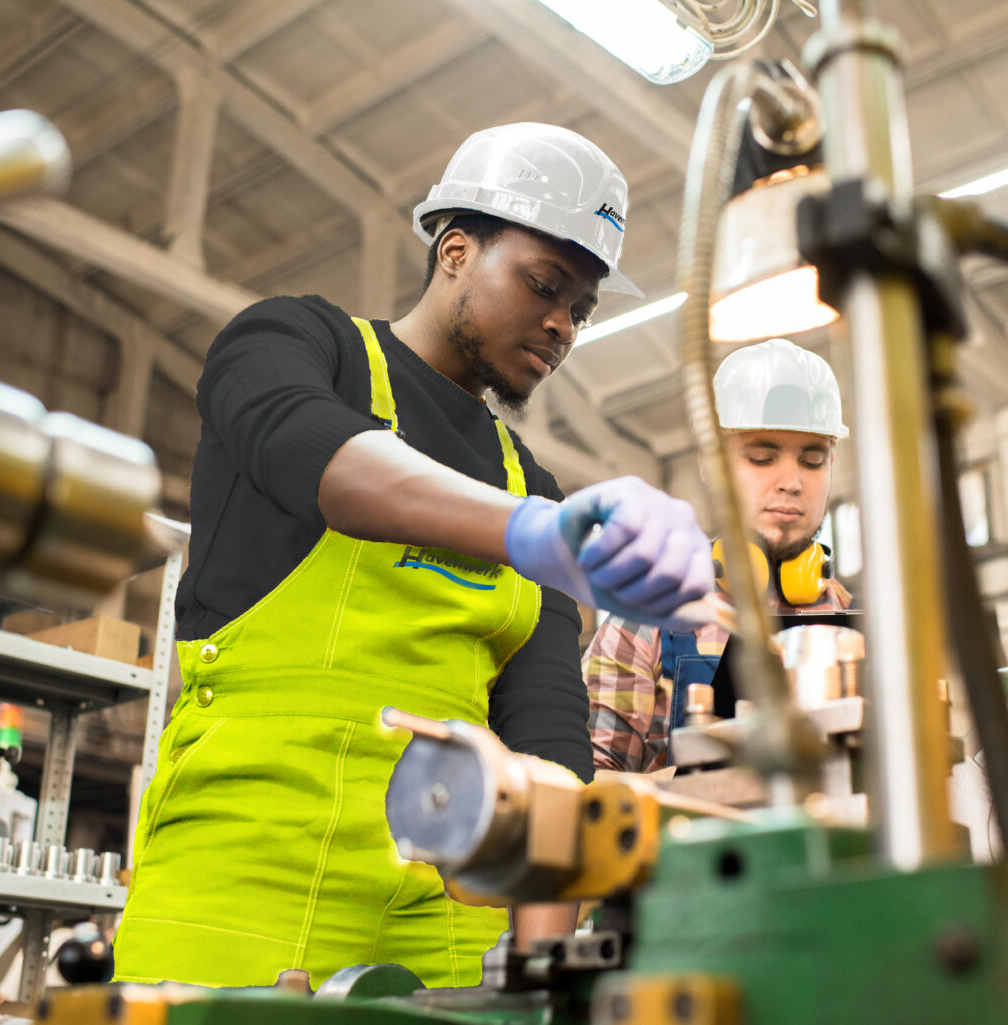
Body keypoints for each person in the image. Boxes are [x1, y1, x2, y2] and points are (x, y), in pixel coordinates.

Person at [111, 123, 714, 989]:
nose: (562, 325)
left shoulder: (531, 482)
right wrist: (531, 534)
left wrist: (541, 966)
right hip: (245, 879)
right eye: (545, 285)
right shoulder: (298, 345)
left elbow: (546, 735)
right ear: (456, 250)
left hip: (452, 907)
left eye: (582, 310)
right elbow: (310, 448)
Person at [585, 338, 854, 774]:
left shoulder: (859, 628)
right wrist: (701, 788)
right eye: (762, 458)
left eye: (812, 460)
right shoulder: (645, 621)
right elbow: (589, 787)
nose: (791, 482)